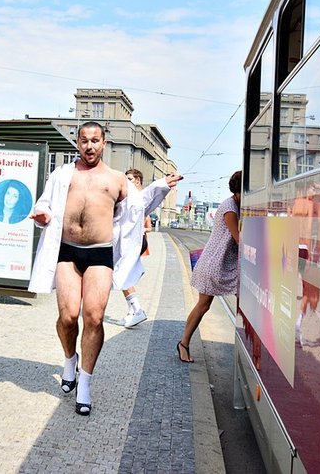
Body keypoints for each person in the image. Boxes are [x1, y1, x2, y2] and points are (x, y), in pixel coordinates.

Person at [27, 121, 181, 416]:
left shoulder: (116, 179)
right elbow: (45, 203)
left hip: (100, 253)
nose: (89, 146)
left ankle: (85, 381)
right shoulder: (62, 175)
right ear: (77, 142)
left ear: (104, 143)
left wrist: (160, 187)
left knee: (94, 317)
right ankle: (69, 359)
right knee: (68, 316)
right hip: (67, 251)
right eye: (84, 140)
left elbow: (138, 209)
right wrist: (42, 215)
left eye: (95, 140)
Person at [177, 170, 241, 364]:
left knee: (204, 306)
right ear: (240, 190)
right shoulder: (230, 209)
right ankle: (183, 344)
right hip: (215, 264)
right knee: (204, 306)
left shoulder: (233, 204)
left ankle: (184, 343)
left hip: (219, 263)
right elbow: (239, 239)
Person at [119, 169, 152, 328]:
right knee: (123, 273)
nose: (127, 182)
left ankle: (137, 310)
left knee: (122, 274)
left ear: (138, 181)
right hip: (133, 240)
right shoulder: (133, 197)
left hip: (135, 241)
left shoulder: (139, 198)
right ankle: (132, 312)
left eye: (130, 179)